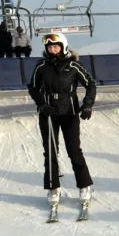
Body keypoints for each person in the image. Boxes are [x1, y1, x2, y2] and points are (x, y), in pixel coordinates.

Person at [27, 33, 96, 207]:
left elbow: (90, 84)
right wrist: (41, 103)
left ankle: (84, 186)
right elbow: (33, 87)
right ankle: (53, 187)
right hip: (48, 113)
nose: (52, 50)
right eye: (49, 47)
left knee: (74, 150)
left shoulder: (73, 65)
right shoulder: (41, 65)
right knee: (50, 151)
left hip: (69, 112)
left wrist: (87, 104)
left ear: (63, 46)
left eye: (55, 47)